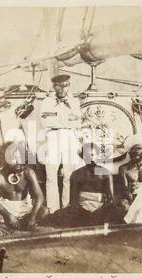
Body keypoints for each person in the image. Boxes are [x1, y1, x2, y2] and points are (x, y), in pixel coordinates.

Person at [47, 143, 122, 227]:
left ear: (98, 156)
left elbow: (110, 200)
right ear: (82, 157)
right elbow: (74, 201)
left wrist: (98, 211)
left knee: (116, 213)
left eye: (93, 155)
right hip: (82, 209)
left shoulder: (105, 173)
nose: (90, 158)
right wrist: (84, 211)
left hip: (101, 209)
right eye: (87, 155)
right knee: (59, 214)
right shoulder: (76, 174)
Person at [39, 74, 82, 214]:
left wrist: (57, 118)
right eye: (60, 85)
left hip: (70, 136)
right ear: (54, 86)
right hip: (53, 136)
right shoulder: (46, 102)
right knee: (51, 175)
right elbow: (46, 122)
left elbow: (77, 122)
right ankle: (53, 211)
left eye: (66, 85)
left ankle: (67, 209)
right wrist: (65, 120)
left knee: (69, 175)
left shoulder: (75, 102)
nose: (63, 89)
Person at [0, 142, 48, 231]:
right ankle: (15, 224)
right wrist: (9, 216)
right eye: (13, 158)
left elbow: (40, 197)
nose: (18, 162)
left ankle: (21, 224)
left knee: (45, 211)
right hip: (7, 210)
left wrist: (32, 217)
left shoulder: (28, 173)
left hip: (25, 209)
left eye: (20, 157)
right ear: (6, 160)